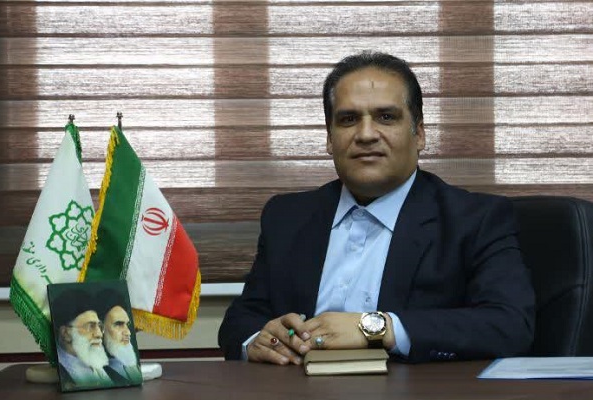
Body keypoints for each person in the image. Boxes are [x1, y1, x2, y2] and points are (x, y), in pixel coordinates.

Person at [218, 51, 536, 364]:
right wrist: (258, 340)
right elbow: (242, 319)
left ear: (419, 134)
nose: (366, 135)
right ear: (329, 138)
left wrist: (377, 328)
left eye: (386, 117)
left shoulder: (475, 219)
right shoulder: (287, 216)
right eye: (348, 119)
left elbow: (509, 325)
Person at [53, 289, 114, 388]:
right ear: (66, 334)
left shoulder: (108, 367)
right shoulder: (59, 374)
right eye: (90, 326)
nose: (99, 334)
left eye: (100, 326)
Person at [98, 289, 142, 385]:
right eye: (118, 324)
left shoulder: (131, 365)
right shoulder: (93, 372)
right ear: (100, 328)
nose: (128, 333)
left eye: (127, 324)